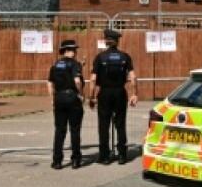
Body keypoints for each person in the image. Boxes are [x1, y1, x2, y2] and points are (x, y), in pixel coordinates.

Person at [88, 28, 137, 164]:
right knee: (120, 124)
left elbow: (93, 79)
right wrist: (134, 94)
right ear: (117, 41)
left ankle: (104, 156)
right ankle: (122, 155)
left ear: (106, 41)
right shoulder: (125, 56)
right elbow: (133, 76)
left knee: (104, 125)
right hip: (120, 92)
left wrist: (91, 97)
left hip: (104, 93)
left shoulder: (100, 57)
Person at [47, 39, 85, 169]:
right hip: (72, 98)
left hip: (59, 98)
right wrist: (80, 94)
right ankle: (75, 160)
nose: (75, 52)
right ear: (69, 50)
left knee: (60, 130)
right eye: (74, 50)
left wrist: (52, 98)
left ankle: (57, 161)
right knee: (75, 130)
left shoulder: (56, 65)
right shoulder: (74, 64)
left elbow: (50, 83)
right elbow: (77, 81)